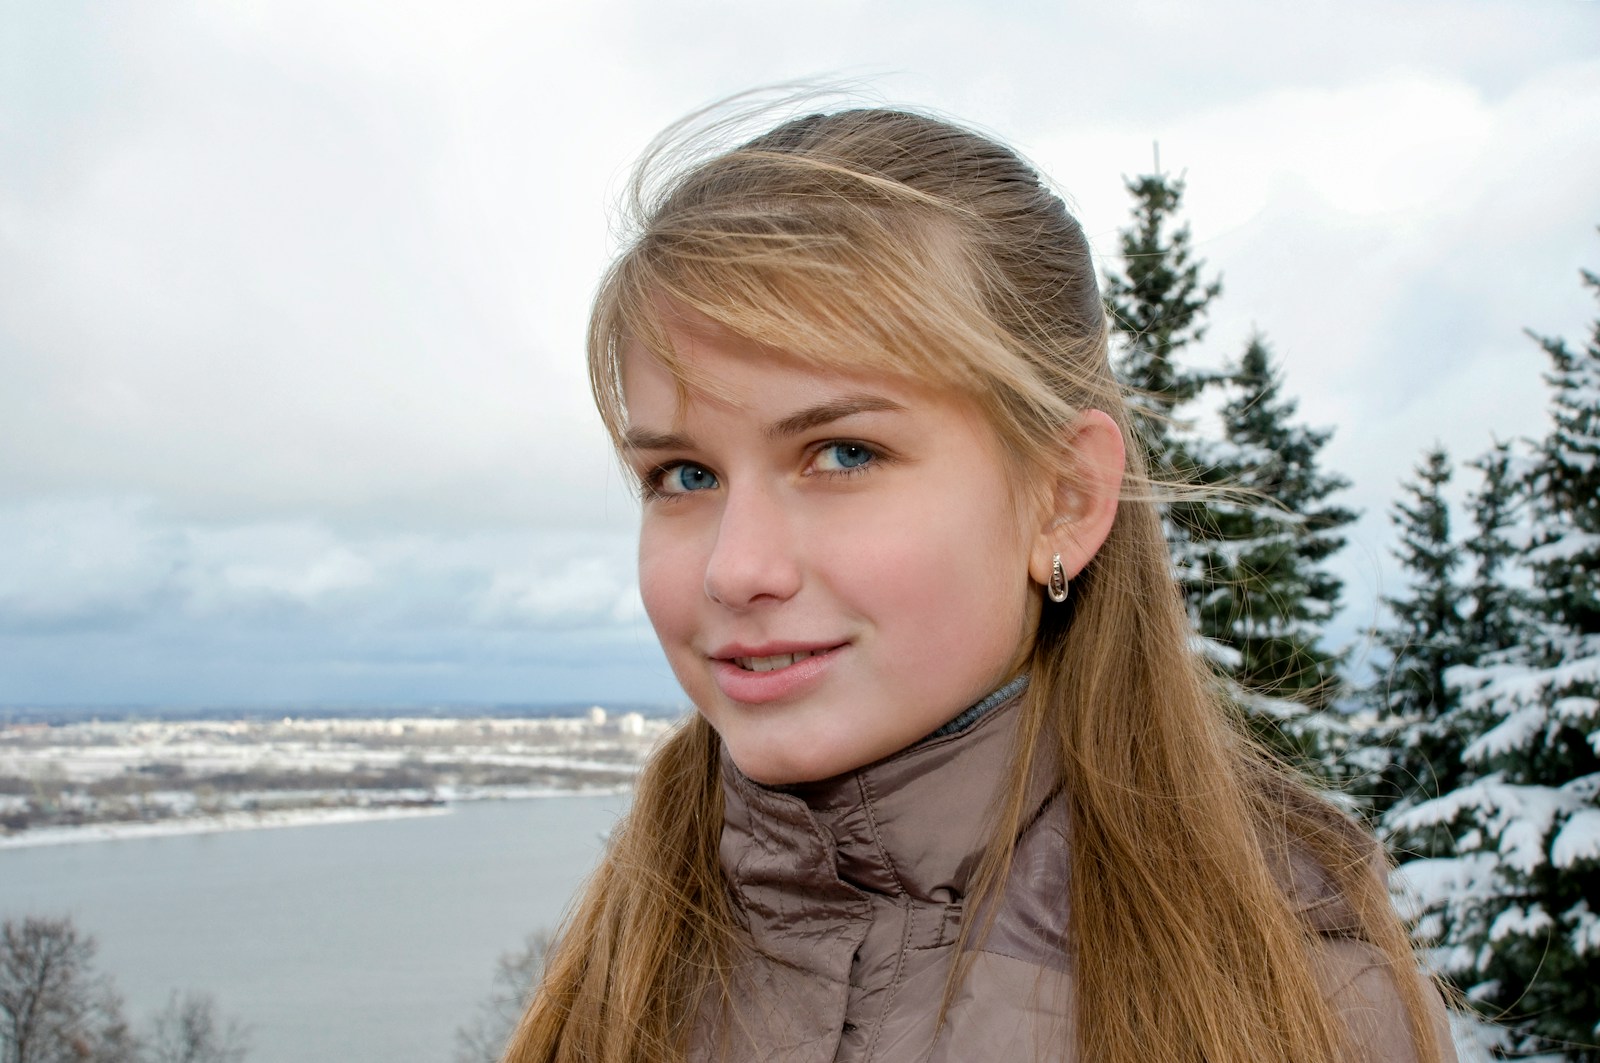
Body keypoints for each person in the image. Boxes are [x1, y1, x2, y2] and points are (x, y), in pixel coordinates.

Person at [504, 104, 1455, 1063]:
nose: (736, 568)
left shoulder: (1290, 1004)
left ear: (1065, 497)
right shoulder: (626, 970)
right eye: (685, 476)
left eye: (842, 452)